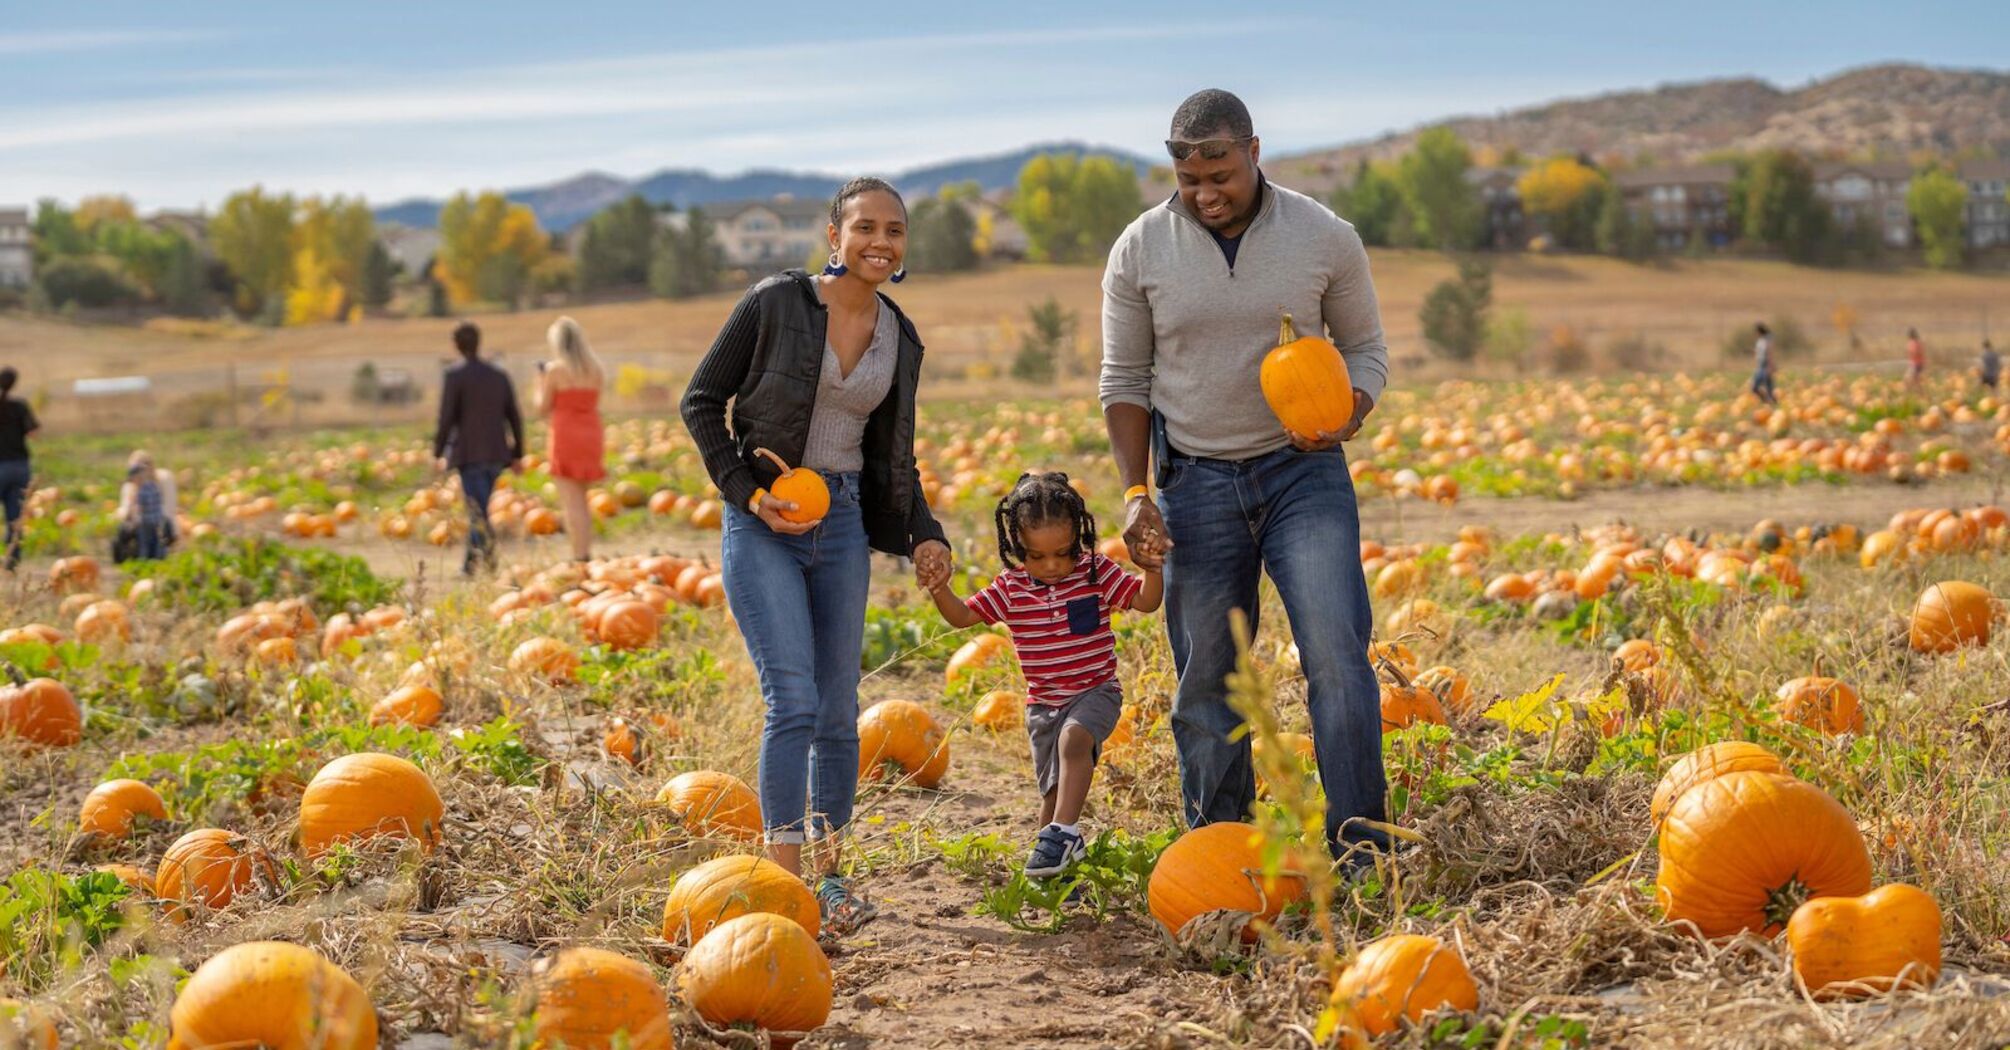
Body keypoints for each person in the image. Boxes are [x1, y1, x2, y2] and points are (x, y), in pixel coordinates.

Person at [1099, 89, 1391, 870]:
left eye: (1220, 173)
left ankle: (1364, 849)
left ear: (1254, 151)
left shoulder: (1324, 236)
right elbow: (1124, 379)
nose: (1205, 193)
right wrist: (1136, 494)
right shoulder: (1140, 248)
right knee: (1207, 678)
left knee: (1336, 655)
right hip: (1194, 480)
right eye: (1189, 177)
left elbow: (1365, 349)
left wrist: (1347, 411)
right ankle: (1222, 854)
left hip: (1304, 475)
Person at [681, 176, 953, 933]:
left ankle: (831, 883)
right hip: (766, 520)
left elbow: (893, 456)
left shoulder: (901, 336)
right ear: (833, 237)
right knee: (793, 701)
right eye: (864, 226)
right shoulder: (775, 304)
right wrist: (746, 492)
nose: (880, 241)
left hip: (841, 528)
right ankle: (781, 885)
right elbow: (701, 401)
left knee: (838, 712)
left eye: (894, 230)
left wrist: (926, 531)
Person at [925, 473, 1163, 876]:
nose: (1052, 566)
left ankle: (1066, 835)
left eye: (1063, 553)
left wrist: (1153, 569)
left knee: (1075, 742)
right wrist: (939, 589)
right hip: (1042, 706)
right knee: (1053, 792)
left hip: (1095, 691)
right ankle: (1052, 866)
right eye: (1037, 557)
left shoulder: (1095, 572)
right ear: (1018, 549)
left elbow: (1144, 600)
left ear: (1080, 541)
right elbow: (963, 616)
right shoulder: (1012, 588)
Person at [433, 321, 525, 575]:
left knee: (477, 510)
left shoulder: (455, 376)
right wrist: (518, 453)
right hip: (496, 452)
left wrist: (438, 452)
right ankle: (478, 561)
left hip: (469, 453)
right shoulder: (498, 376)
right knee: (480, 508)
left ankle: (481, 562)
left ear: (456, 345)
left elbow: (447, 418)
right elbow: (513, 416)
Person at [534, 316, 606, 563]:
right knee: (582, 501)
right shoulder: (595, 369)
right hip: (591, 434)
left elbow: (542, 407)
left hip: (566, 436)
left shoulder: (555, 370)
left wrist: (539, 382)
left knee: (571, 502)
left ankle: (579, 556)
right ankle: (584, 553)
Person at [0, 367, 35, 572]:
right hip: (19, 467)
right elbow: (34, 433)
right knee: (15, 516)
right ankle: (12, 561)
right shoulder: (20, 406)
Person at [116, 451, 178, 560]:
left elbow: (168, 510)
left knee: (157, 540)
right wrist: (131, 505)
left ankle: (157, 556)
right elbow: (125, 512)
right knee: (137, 537)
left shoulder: (160, 482)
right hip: (139, 524)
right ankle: (140, 555)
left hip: (156, 521)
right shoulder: (130, 487)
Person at [1749, 323, 1777, 405]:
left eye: (1756, 332)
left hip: (1765, 366)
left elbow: (1769, 354)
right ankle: (1767, 400)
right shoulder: (1760, 341)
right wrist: (1752, 351)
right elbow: (1759, 352)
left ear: (1759, 331)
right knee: (1754, 387)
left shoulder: (1766, 340)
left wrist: (1770, 366)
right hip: (1760, 366)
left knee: (1768, 387)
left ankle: (1771, 402)